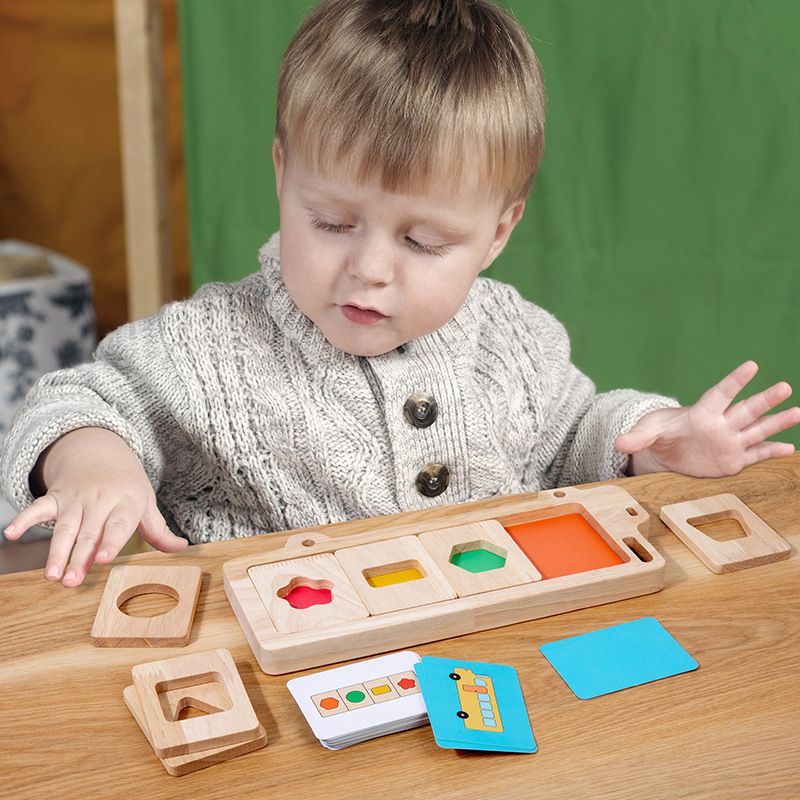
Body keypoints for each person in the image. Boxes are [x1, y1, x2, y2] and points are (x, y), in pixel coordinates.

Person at [2, 0, 797, 588]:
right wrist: (92, 463)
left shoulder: (517, 337)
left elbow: (574, 438)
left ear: (497, 232)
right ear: (283, 175)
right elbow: (79, 399)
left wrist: (652, 437)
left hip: (489, 641)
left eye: (422, 242)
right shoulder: (206, 348)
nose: (371, 269)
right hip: (282, 675)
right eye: (333, 222)